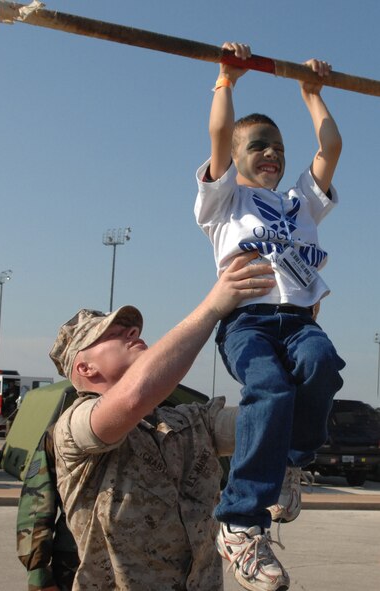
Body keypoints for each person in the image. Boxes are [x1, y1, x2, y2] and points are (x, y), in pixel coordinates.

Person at [194, 42, 346, 591]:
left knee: (322, 367)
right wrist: (226, 81)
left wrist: (312, 94)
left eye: (278, 148)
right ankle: (239, 521)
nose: (272, 155)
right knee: (270, 389)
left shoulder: (299, 202)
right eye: (258, 147)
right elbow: (218, 135)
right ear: (235, 159)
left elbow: (330, 145)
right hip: (248, 322)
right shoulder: (225, 201)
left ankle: (289, 464)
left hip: (301, 321)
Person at [49, 253, 276, 591]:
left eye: (130, 328)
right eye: (111, 333)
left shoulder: (190, 421)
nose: (132, 331)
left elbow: (272, 421)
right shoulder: (73, 426)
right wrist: (213, 308)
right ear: (84, 368)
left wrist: (292, 326)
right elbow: (132, 397)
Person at [17, 422, 79, 591]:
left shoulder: (156, 427)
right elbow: (35, 505)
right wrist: (39, 575)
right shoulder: (67, 429)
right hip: (76, 568)